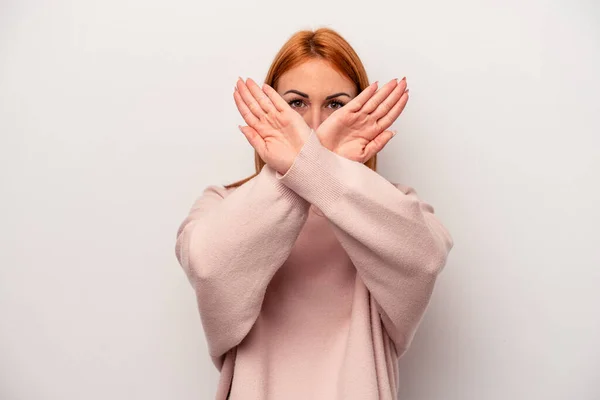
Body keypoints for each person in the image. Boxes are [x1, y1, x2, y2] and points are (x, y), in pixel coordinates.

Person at [174, 27, 454, 400]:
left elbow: (426, 259)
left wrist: (312, 167)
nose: (315, 124)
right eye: (297, 103)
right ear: (270, 107)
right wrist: (311, 169)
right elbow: (209, 267)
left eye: (336, 104)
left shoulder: (392, 205)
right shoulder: (222, 203)